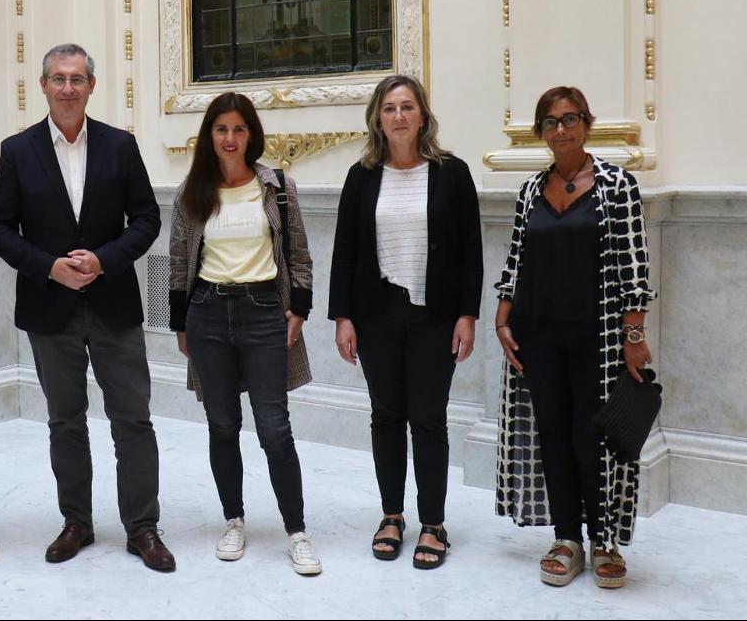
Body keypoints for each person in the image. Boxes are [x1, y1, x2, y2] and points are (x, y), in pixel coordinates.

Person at [0, 43, 173, 571]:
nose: (67, 88)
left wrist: (103, 260)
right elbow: (0, 228)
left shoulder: (120, 146)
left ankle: (143, 528)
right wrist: (50, 266)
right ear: (42, 85)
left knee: (132, 420)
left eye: (77, 79)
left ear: (92, 86)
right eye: (58, 78)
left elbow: (145, 219)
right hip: (50, 309)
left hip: (113, 303)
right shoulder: (17, 150)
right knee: (65, 421)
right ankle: (77, 523)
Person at [494, 86, 655, 589]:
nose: (560, 130)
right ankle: (567, 538)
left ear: (586, 123)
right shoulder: (528, 191)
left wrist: (634, 334)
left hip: (599, 338)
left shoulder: (616, 185)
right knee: (553, 435)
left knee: (595, 439)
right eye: (550, 122)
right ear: (540, 131)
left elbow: (634, 265)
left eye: (570, 119)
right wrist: (502, 321)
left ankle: (604, 540)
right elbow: (516, 262)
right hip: (537, 337)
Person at [328, 74, 482, 570]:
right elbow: (346, 251)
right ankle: (392, 515)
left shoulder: (452, 173)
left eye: (407, 107)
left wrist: (467, 315)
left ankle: (433, 523)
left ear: (422, 116)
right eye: (390, 108)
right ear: (377, 117)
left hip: (434, 316)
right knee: (387, 416)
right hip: (376, 315)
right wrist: (342, 317)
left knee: (429, 420)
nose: (398, 116)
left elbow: (470, 253)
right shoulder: (361, 176)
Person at [168, 93, 321, 575]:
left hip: (262, 312)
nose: (230, 139)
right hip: (208, 313)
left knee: (275, 428)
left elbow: (298, 252)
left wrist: (299, 308)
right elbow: (177, 260)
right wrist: (180, 322)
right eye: (221, 130)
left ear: (250, 134)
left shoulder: (276, 186)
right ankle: (233, 519)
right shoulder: (192, 191)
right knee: (222, 426)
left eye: (238, 129)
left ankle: (296, 531)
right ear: (209, 136)